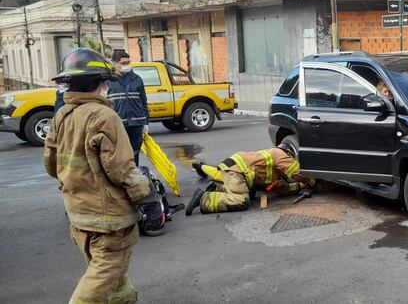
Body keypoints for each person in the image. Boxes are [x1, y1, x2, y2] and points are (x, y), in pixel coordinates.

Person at [44, 48, 158, 304]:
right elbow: (122, 170)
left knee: (114, 277)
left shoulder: (62, 115)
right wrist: (149, 199)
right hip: (108, 218)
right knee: (104, 274)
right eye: (105, 81)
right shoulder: (104, 116)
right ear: (99, 82)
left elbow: (52, 165)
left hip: (78, 214)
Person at [186, 144, 313, 215]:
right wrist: (312, 182)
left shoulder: (270, 162)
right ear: (289, 153)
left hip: (232, 169)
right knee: (241, 201)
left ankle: (219, 189)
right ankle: (204, 198)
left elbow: (281, 188)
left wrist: (300, 187)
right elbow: (298, 173)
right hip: (237, 173)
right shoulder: (280, 155)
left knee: (251, 193)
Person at [106, 50, 149, 165]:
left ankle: (134, 178)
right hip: (117, 125)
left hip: (136, 124)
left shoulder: (136, 79)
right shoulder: (108, 81)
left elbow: (143, 102)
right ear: (115, 64)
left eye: (128, 62)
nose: (127, 65)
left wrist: (145, 122)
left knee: (134, 154)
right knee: (119, 155)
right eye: (123, 63)